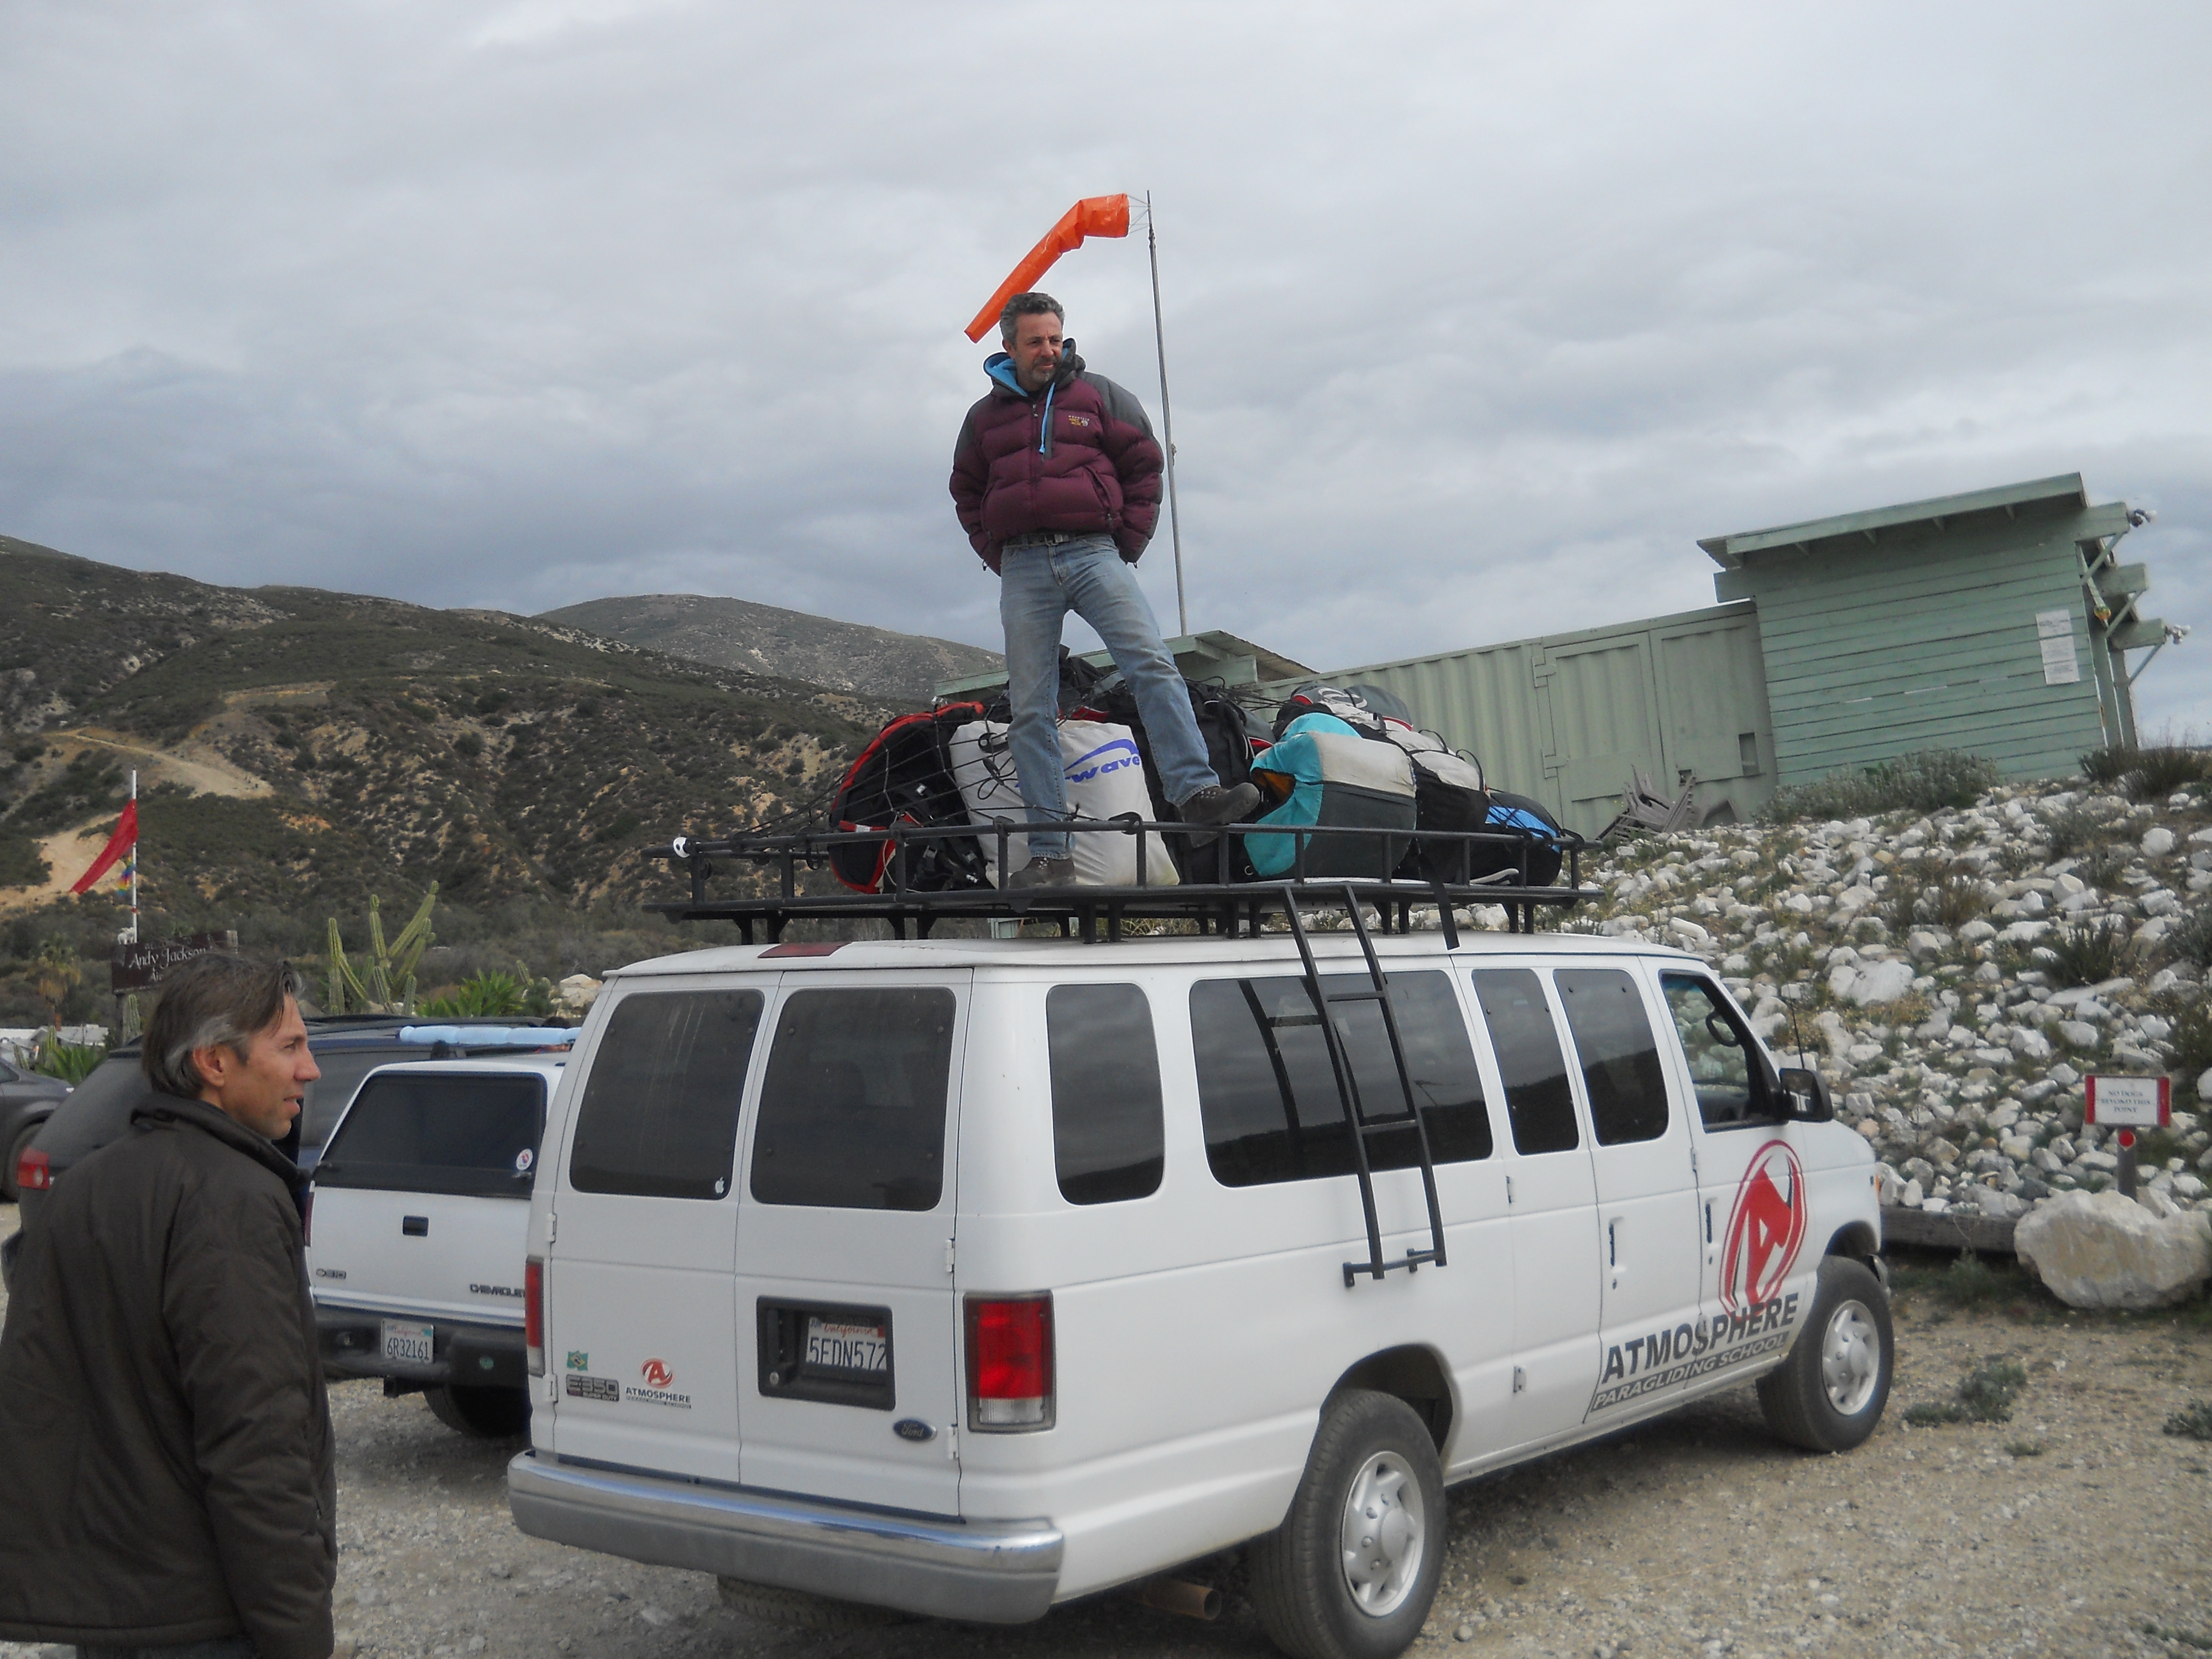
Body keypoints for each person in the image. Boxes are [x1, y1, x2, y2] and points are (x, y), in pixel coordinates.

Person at [0, 954, 337, 1659]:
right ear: (215, 1063)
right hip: (203, 1616)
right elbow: (256, 1442)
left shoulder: (83, 1188)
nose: (309, 1070)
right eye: (289, 1047)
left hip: (116, 1614)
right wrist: (299, 1634)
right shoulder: (231, 1201)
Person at [951, 291, 1260, 888]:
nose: (1048, 350)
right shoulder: (982, 419)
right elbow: (966, 489)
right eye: (1035, 341)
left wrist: (1125, 544)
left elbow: (1144, 465)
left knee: (1152, 664)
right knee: (1030, 710)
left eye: (1055, 338)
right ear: (1009, 346)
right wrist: (999, 555)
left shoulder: (1099, 396)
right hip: (1023, 565)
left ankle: (1197, 795)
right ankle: (1050, 856)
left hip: (1094, 552)